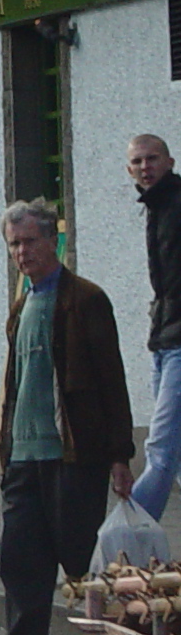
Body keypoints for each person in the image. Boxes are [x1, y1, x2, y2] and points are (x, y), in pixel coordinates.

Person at [0, 198, 134, 635]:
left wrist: (119, 455)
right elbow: (16, 386)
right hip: (24, 460)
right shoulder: (20, 307)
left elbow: (112, 378)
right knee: (19, 563)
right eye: (14, 245)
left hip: (72, 458)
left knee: (80, 563)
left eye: (30, 242)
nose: (22, 253)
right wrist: (6, 450)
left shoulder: (85, 299)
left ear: (53, 240)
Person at [132, 135, 181, 518]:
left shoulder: (176, 203)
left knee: (161, 448)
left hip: (178, 340)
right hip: (163, 341)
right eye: (138, 161)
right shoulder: (156, 206)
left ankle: (128, 539)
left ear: (169, 161)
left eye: (152, 159)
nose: (145, 167)